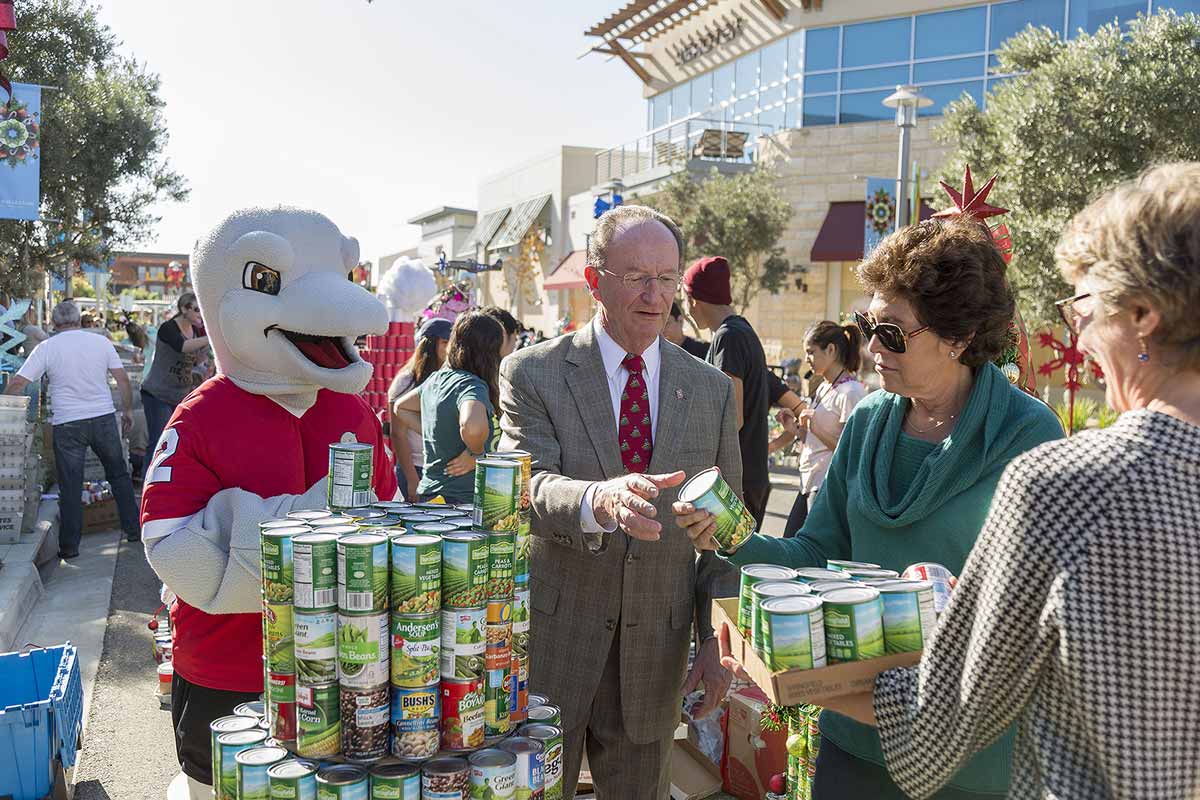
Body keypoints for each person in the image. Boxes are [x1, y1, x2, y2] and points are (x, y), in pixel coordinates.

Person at [774, 163, 1200, 800]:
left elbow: (950, 711)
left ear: (1142, 315)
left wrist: (807, 672)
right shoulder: (879, 421)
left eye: (1084, 307)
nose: (1077, 336)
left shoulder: (1067, 486)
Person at [683, 215, 1064, 800]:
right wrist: (730, 535)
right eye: (868, 324)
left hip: (967, 752)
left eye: (892, 333)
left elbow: (1039, 613)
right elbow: (815, 550)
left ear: (958, 337)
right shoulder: (866, 421)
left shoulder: (1027, 433)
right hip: (854, 732)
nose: (869, 347)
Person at [140, 207, 396, 799]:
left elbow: (384, 521)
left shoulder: (351, 409)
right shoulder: (200, 416)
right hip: (226, 668)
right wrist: (322, 519)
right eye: (265, 281)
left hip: (343, 668)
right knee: (218, 788)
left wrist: (239, 525)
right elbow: (174, 548)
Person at [498, 204, 741, 798]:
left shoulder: (708, 388)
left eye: (666, 277)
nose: (654, 295)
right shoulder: (533, 373)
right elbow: (524, 489)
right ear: (594, 280)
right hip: (555, 647)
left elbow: (725, 531)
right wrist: (596, 500)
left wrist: (716, 641)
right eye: (636, 277)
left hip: (655, 655)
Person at [4, 300, 141, 557]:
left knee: (70, 486)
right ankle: (133, 530)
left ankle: (69, 547)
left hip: (67, 423)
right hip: (102, 418)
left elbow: (19, 382)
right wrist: (128, 411)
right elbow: (122, 379)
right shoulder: (100, 342)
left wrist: (5, 408)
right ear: (78, 320)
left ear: (54, 324)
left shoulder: (47, 347)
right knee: (119, 476)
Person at [682, 256, 773, 529]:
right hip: (746, 477)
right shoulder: (739, 331)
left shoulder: (728, 336)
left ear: (694, 299)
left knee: (724, 568)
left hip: (735, 483)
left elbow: (732, 418)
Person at [394, 311, 503, 504]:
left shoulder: (437, 379)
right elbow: (473, 426)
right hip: (461, 501)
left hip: (431, 496)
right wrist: (476, 453)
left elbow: (401, 408)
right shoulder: (470, 384)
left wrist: (437, 432)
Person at [776, 321, 869, 536]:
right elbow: (815, 438)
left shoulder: (851, 392)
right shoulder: (824, 387)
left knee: (804, 552)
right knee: (792, 543)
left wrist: (815, 427)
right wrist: (796, 429)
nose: (807, 358)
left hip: (826, 485)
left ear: (831, 350)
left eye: (811, 352)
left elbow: (851, 450)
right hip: (808, 481)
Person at [387, 316, 450, 500]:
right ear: (428, 345)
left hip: (442, 471)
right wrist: (412, 479)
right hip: (415, 469)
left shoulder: (448, 378)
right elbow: (398, 434)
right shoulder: (406, 381)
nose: (449, 349)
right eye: (445, 342)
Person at [141, 292, 210, 455]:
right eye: (197, 309)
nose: (200, 314)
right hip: (158, 394)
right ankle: (148, 478)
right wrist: (211, 338)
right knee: (159, 443)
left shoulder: (196, 330)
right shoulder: (168, 327)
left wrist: (206, 355)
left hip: (180, 394)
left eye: (202, 309)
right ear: (184, 309)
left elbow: (196, 361)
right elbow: (182, 346)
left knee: (179, 443)